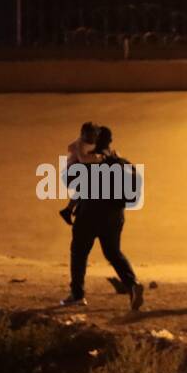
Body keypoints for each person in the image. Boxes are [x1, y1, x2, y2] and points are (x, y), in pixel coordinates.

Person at [61, 126, 143, 310]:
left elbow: (78, 186)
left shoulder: (93, 161)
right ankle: (132, 284)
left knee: (79, 253)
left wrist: (69, 208)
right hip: (115, 215)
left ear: (95, 141)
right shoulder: (121, 161)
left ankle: (77, 295)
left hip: (90, 213)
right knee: (114, 253)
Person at [59, 121, 102, 225]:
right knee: (87, 183)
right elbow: (83, 159)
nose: (91, 137)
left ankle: (70, 209)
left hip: (79, 171)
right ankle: (72, 208)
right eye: (88, 134)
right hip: (70, 173)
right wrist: (99, 158)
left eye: (94, 134)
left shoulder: (94, 143)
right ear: (82, 134)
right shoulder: (80, 143)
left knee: (87, 186)